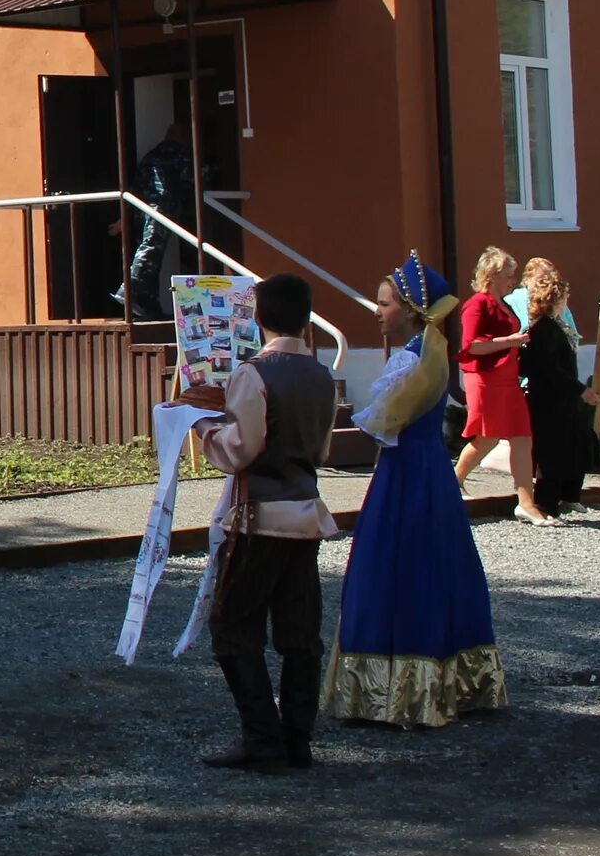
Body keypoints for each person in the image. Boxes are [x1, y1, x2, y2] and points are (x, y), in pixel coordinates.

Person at [323, 253, 509, 728]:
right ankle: (451, 679)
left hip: (405, 472)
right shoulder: (430, 351)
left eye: (385, 304)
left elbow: (380, 424)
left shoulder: (411, 360)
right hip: (430, 471)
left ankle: (398, 690)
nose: (377, 312)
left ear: (408, 309)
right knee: (436, 562)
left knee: (396, 566)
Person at [186, 273, 338, 771]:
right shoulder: (320, 375)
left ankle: (262, 737)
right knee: (299, 630)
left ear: (258, 317)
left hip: (258, 516)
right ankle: (297, 738)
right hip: (305, 511)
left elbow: (240, 450)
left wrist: (204, 428)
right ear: (306, 317)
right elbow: (320, 449)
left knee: (232, 624)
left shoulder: (255, 373)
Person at [450, 246, 544, 527]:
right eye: (507, 275)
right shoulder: (476, 304)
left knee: (522, 437)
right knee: (487, 436)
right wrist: (511, 341)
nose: (512, 281)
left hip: (507, 378)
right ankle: (453, 481)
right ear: (490, 276)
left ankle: (526, 503)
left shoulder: (503, 303)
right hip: (485, 378)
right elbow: (471, 346)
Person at [517, 257, 596, 518]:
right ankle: (546, 504)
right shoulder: (544, 330)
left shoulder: (554, 326)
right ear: (555, 298)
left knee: (576, 445)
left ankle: (568, 495)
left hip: (562, 400)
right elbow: (550, 370)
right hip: (549, 401)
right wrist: (580, 389)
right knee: (552, 453)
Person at [121, 118, 194, 319]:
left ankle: (149, 307)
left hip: (143, 210)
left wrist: (127, 215)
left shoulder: (151, 155)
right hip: (162, 209)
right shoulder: (177, 153)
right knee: (151, 251)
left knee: (150, 257)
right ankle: (128, 289)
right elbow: (193, 176)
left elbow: (136, 186)